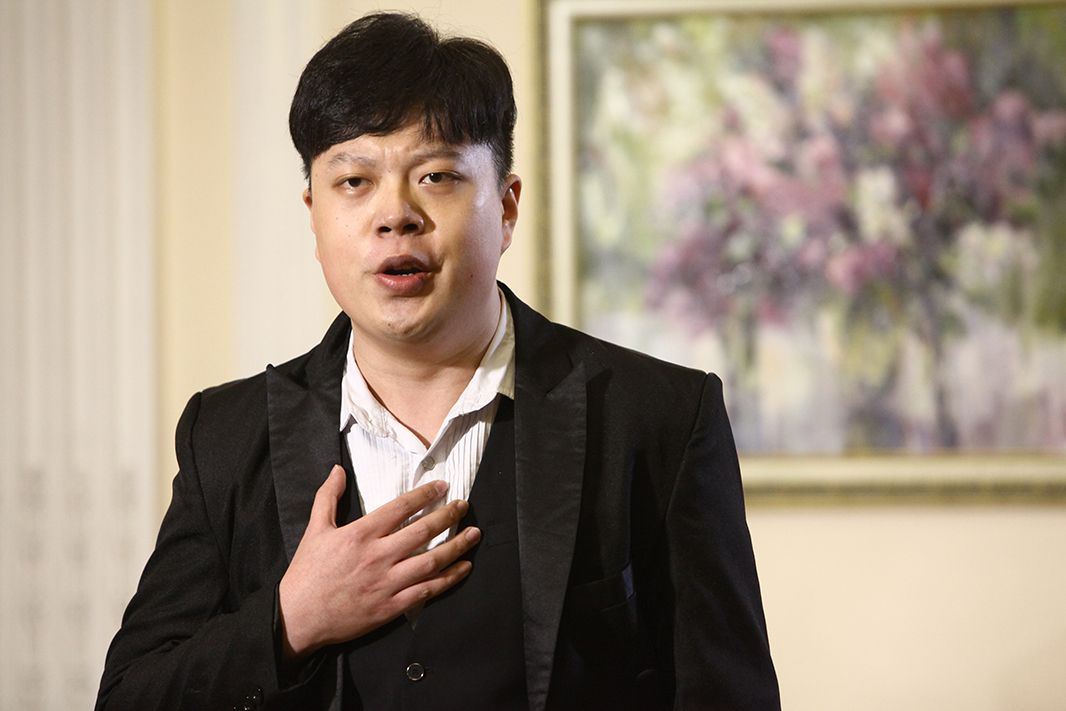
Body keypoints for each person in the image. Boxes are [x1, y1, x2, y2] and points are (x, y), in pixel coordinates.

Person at [96, 12, 780, 711]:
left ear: (507, 208)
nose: (394, 214)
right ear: (313, 215)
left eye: (437, 176)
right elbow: (128, 697)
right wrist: (289, 622)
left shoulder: (658, 419)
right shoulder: (225, 435)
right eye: (353, 181)